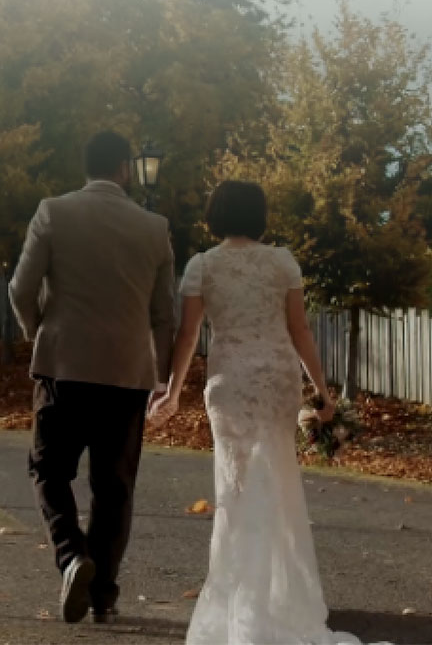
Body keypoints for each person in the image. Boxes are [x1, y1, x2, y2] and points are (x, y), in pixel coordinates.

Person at [150, 180, 372, 645]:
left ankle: (243, 606)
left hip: (230, 385)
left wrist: (172, 392)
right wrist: (321, 391)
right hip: (276, 382)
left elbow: (189, 336)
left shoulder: (202, 266)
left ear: (215, 214)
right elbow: (299, 331)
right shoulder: (282, 262)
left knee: (235, 490)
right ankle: (277, 601)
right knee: (277, 482)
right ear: (259, 215)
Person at [9, 131, 176, 624]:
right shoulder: (154, 227)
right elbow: (163, 314)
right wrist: (163, 376)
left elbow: (20, 288)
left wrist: (39, 331)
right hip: (127, 375)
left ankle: (71, 555)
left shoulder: (53, 212)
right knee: (114, 486)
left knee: (49, 470)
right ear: (125, 168)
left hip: (62, 366)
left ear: (86, 167)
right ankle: (102, 592)